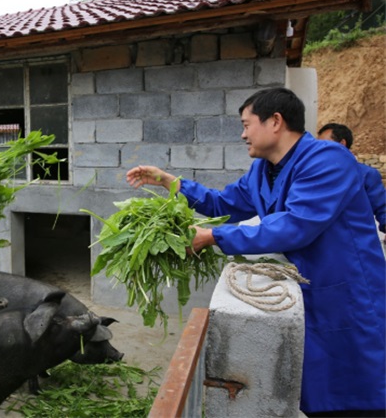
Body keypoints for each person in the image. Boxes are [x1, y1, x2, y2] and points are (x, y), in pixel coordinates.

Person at [126, 87, 385, 417]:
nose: (243, 134)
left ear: (275, 121)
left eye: (247, 124)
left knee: (362, 390)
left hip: (350, 295)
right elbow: (221, 203)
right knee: (321, 392)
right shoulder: (262, 172)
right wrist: (167, 181)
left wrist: (212, 236)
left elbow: (295, 225)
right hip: (312, 292)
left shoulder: (328, 160)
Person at [317, 122, 386, 234]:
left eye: (324, 144)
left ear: (342, 144)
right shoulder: (316, 175)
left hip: (358, 244)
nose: (319, 150)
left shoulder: (366, 175)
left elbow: (382, 208)